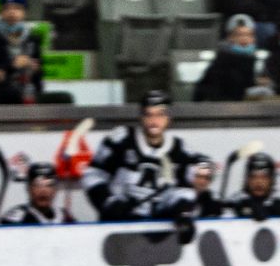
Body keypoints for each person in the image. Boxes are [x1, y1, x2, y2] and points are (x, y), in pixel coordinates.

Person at [81, 91, 214, 226]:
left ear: (169, 118)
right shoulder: (121, 140)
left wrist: (183, 212)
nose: (154, 121)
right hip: (117, 229)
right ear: (141, 117)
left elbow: (200, 169)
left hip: (158, 233)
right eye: (148, 114)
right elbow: (93, 174)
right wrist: (108, 202)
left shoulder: (179, 149)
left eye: (160, 115)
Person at [0, 0, 43, 103]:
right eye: (7, 8)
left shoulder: (31, 38)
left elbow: (39, 79)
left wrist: (35, 71)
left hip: (28, 93)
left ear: (24, 12)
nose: (12, 13)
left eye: (17, 8)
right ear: (0, 12)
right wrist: (12, 65)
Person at [194, 14, 268, 102]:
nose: (244, 39)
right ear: (230, 38)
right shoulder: (221, 63)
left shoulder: (260, 61)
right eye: (239, 35)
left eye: (249, 35)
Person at [223, 152, 280, 220]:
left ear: (272, 180)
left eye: (264, 177)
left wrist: (269, 209)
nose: (258, 182)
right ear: (247, 179)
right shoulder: (235, 202)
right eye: (253, 177)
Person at [2, 162, 72, 224]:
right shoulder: (18, 218)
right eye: (37, 184)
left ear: (55, 189)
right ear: (28, 188)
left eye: (49, 185)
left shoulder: (65, 217)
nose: (43, 190)